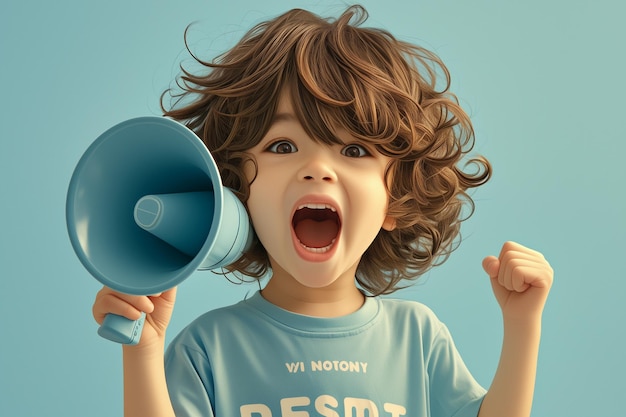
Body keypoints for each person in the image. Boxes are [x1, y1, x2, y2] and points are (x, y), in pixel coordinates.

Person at [92, 5, 553, 417]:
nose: (317, 169)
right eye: (283, 145)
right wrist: (144, 351)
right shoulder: (208, 347)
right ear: (233, 195)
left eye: (354, 150)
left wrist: (522, 324)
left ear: (396, 200)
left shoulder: (417, 337)